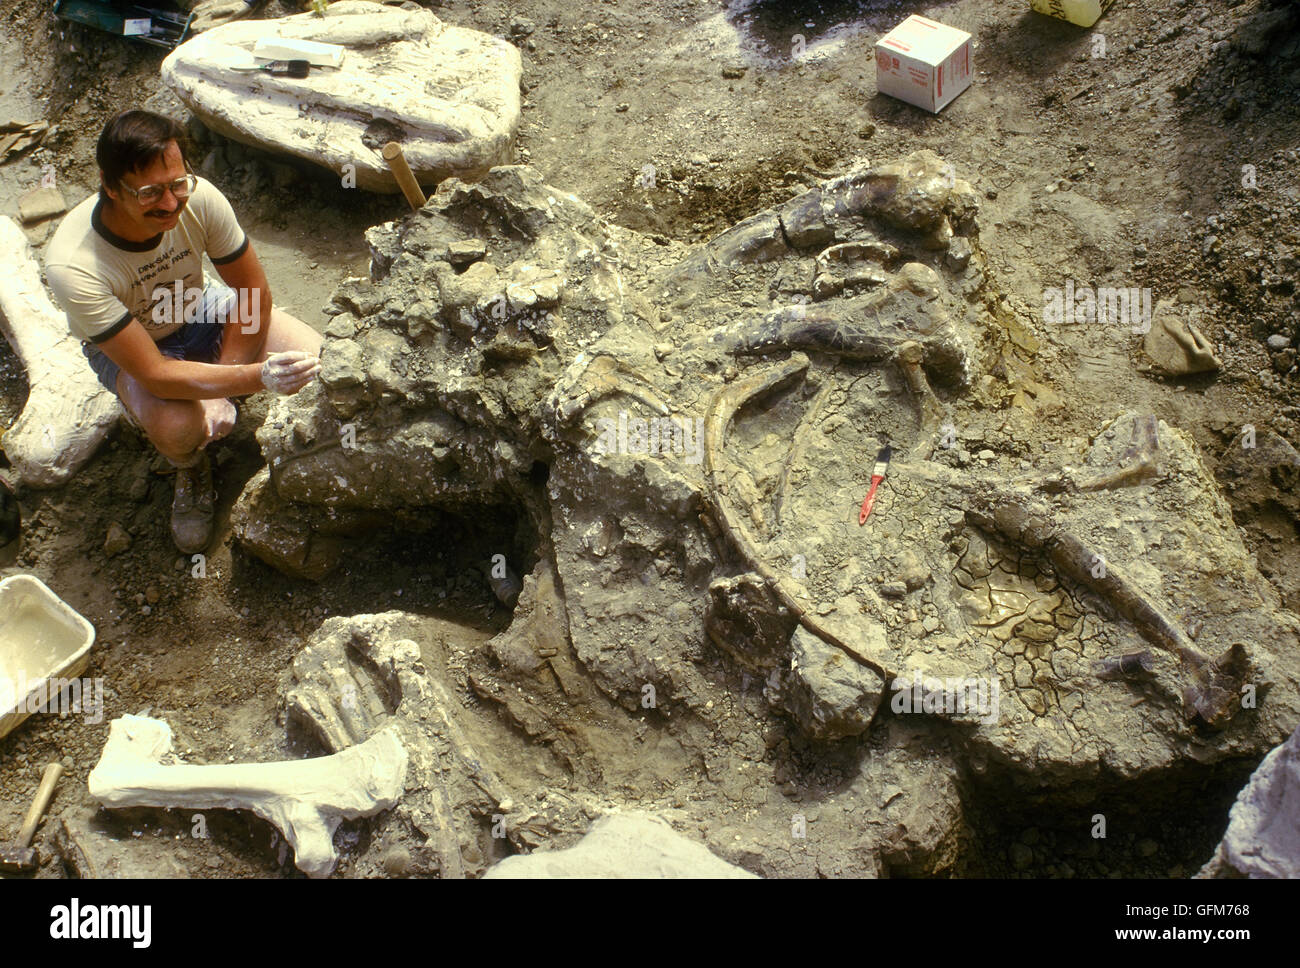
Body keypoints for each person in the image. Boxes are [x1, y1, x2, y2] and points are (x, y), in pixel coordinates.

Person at [44, 109, 322, 554]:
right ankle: (190, 467)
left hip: (200, 306)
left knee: (316, 361)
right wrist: (256, 377)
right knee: (177, 426)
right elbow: (153, 372)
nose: (171, 203)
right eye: (151, 192)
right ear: (110, 185)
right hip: (140, 346)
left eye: (177, 184)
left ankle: (301, 448)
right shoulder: (74, 265)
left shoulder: (201, 199)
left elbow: (251, 291)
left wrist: (221, 389)